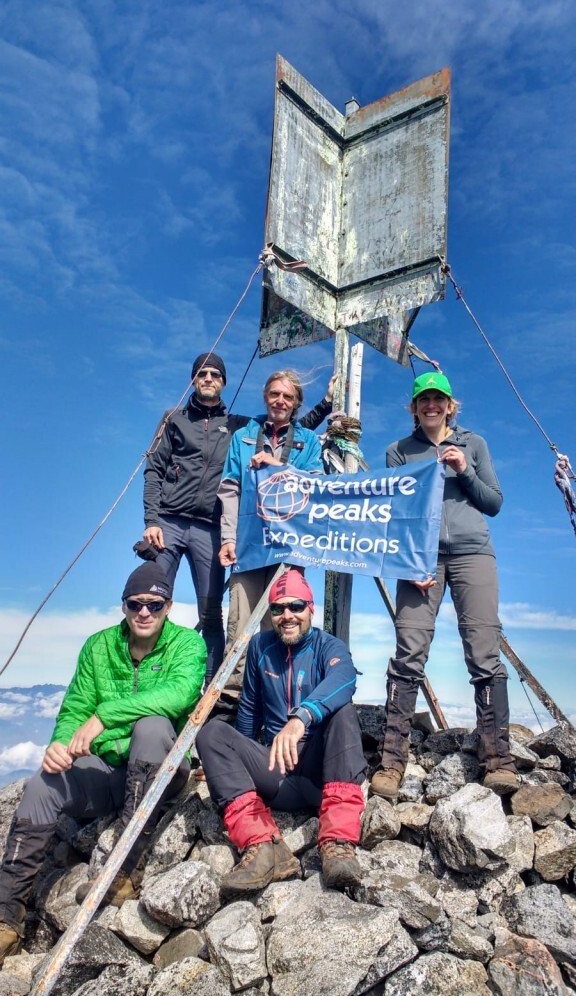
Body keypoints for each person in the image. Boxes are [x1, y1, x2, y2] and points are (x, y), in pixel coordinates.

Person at [0, 563, 206, 967]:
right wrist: (60, 745)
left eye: (155, 604)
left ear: (167, 607)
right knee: (43, 785)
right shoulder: (98, 646)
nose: (144, 612)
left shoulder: (187, 645)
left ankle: (127, 868)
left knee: (151, 726)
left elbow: (181, 696)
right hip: (110, 774)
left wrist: (107, 715)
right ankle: (6, 917)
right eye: (135, 603)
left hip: (162, 772)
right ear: (124, 606)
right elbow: (75, 707)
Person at [370, 371, 519, 801]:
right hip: (420, 559)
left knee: (483, 648)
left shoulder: (474, 444)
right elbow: (395, 513)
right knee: (409, 651)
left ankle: (498, 760)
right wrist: (405, 561)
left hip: (474, 553)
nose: (431, 405)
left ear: (451, 405)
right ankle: (392, 761)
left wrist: (464, 469)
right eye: (423, 400)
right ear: (413, 408)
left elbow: (493, 502)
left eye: (439, 399)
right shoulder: (398, 452)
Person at [142, 353, 335, 681]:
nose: (208, 378)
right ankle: (201, 689)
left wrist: (328, 403)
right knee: (152, 600)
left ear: (224, 381)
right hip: (190, 527)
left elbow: (298, 436)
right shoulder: (198, 423)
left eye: (215, 374)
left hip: (249, 537)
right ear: (194, 379)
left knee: (237, 615)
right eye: (202, 373)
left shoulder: (239, 425)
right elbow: (158, 470)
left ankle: (251, 689)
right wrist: (151, 521)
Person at [196, 570, 366, 895]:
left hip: (320, 774)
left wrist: (301, 718)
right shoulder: (261, 646)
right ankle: (264, 848)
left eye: (296, 606)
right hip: (276, 774)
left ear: (310, 609)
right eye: (278, 608)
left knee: (343, 711)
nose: (287, 615)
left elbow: (344, 678)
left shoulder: (329, 646)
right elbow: (248, 710)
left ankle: (338, 844)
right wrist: (228, 765)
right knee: (211, 735)